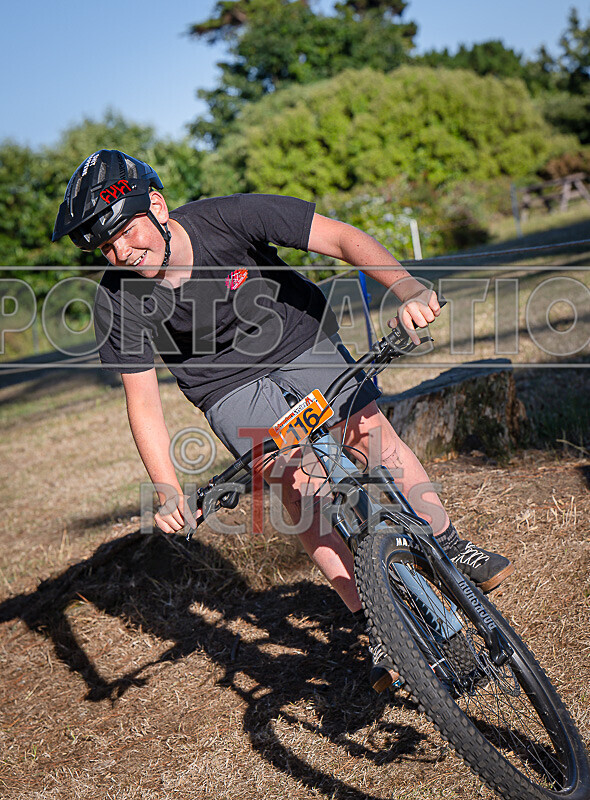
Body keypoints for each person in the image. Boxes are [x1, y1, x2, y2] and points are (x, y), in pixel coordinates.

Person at [52, 150, 513, 692]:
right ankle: (379, 621)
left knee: (369, 435)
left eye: (126, 232)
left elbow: (341, 238)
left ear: (155, 205)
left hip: (298, 339)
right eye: (106, 247)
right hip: (226, 388)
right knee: (300, 487)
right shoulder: (117, 299)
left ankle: (449, 542)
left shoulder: (229, 217)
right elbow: (143, 400)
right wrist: (166, 486)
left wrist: (407, 287)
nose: (122, 252)